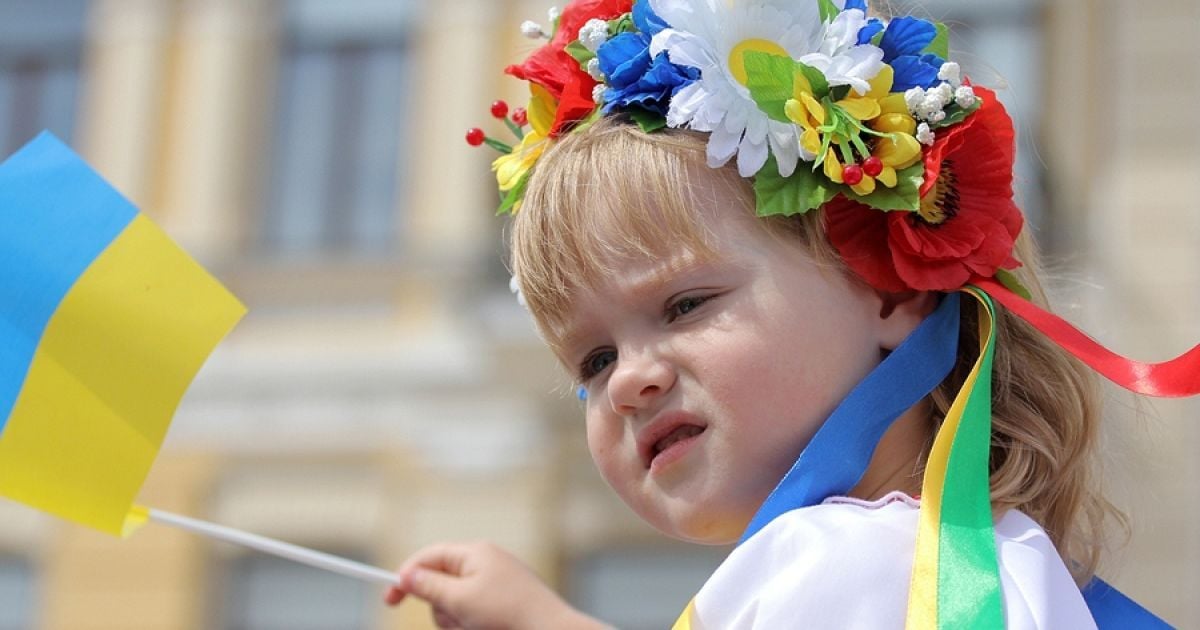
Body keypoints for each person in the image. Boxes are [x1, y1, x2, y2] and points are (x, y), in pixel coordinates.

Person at [385, 0, 1198, 627]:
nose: (628, 380)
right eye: (594, 361)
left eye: (684, 304)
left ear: (890, 286)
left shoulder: (839, 562)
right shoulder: (960, 567)